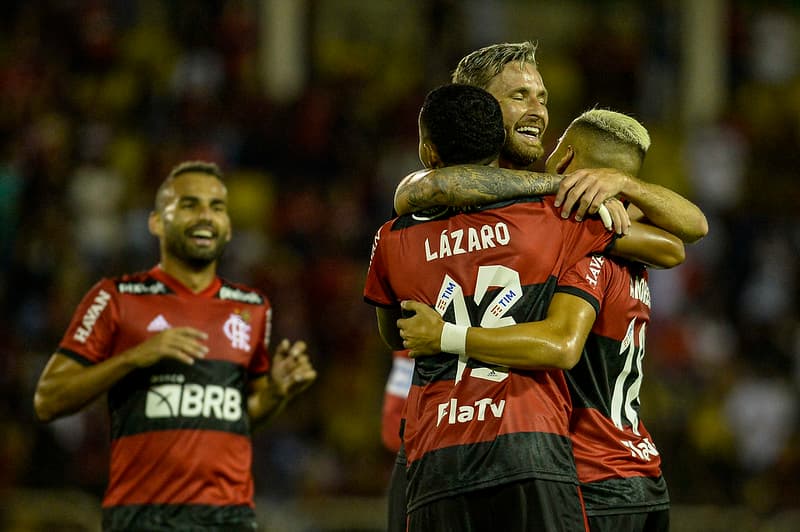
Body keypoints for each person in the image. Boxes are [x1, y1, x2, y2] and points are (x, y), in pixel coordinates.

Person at [365, 83, 682, 531]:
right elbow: (675, 246)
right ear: (499, 143)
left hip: (436, 451)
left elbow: (393, 333)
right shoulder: (553, 220)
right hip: (534, 445)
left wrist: (443, 333)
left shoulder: (391, 238)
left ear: (427, 152)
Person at [33, 161, 317, 531]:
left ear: (228, 226)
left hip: (228, 517)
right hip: (142, 516)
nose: (205, 216)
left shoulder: (252, 308)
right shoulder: (116, 298)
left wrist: (276, 393)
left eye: (216, 207)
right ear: (155, 222)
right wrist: (134, 357)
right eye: (189, 204)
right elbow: (48, 400)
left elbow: (240, 417)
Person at [393, 41, 708, 244]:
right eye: (520, 96)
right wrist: (558, 185)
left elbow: (691, 229)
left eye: (542, 99)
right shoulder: (434, 200)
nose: (538, 112)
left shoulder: (564, 207)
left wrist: (626, 183)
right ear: (479, 105)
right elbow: (435, 186)